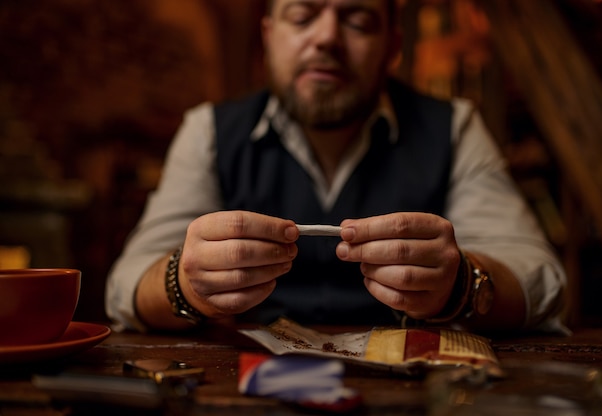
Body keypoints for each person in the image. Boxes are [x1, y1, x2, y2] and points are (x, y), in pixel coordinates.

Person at [106, 0, 567, 334]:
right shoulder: (208, 129)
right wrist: (185, 283)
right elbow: (125, 288)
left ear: (393, 46)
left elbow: (540, 281)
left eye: (359, 20)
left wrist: (462, 282)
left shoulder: (454, 126)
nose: (326, 37)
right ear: (268, 37)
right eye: (303, 16)